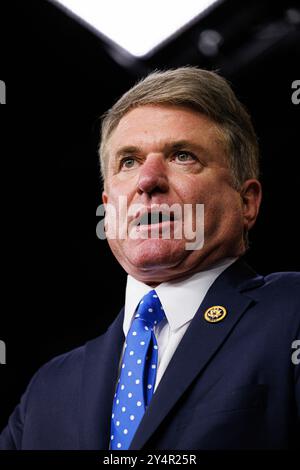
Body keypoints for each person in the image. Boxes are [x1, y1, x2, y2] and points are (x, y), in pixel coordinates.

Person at [0, 67, 299, 450]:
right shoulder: (47, 390)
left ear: (246, 201)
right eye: (128, 162)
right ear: (108, 209)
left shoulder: (292, 314)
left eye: (182, 156)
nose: (148, 179)